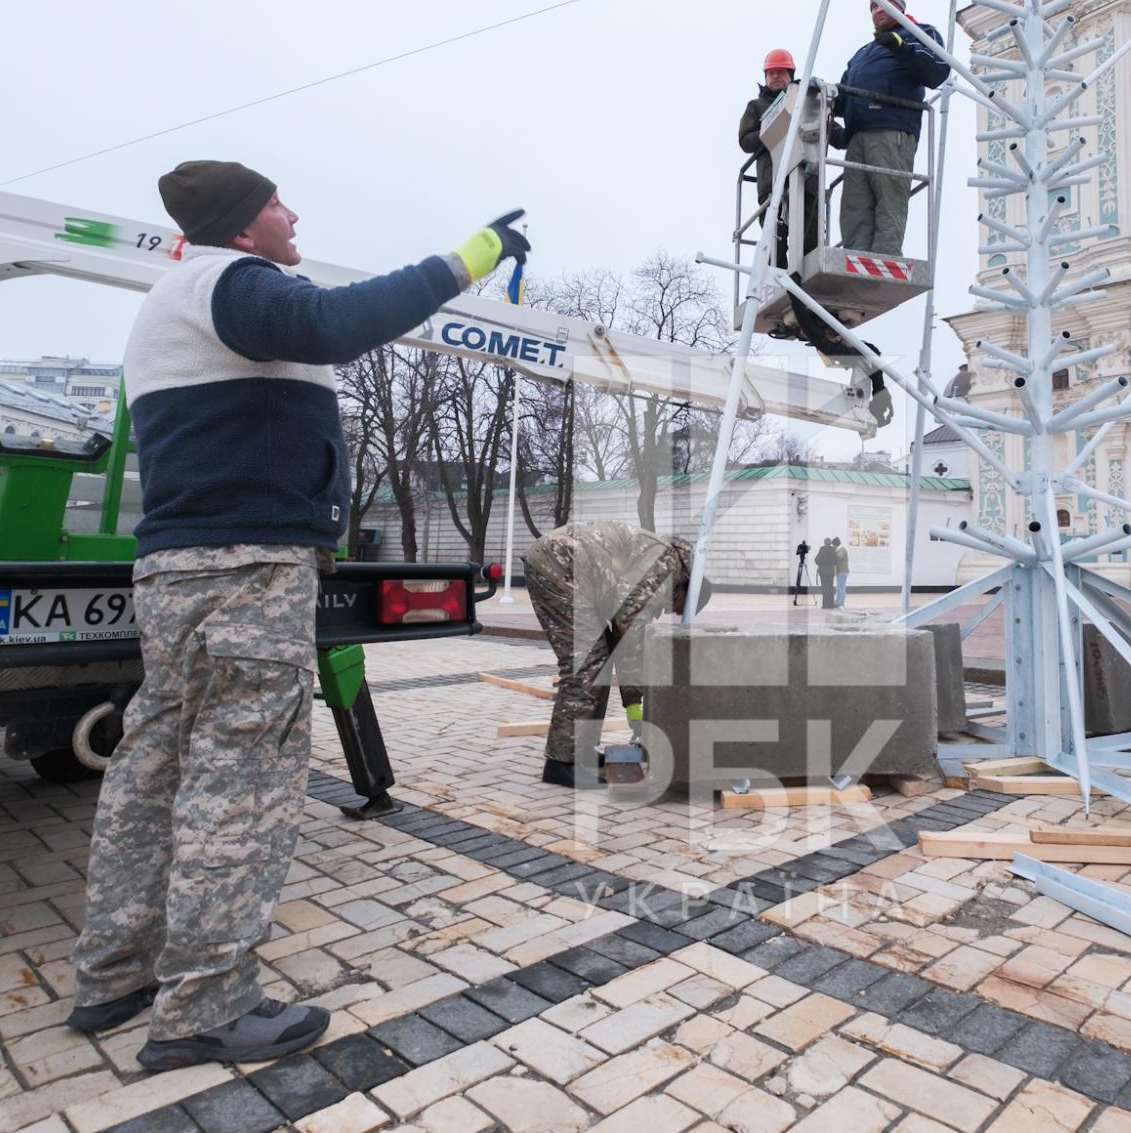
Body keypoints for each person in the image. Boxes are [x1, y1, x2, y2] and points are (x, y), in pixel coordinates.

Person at [67, 159, 529, 1071]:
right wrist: (469, 256)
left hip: (183, 567)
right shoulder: (237, 284)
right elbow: (335, 323)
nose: (293, 215)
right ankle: (203, 1005)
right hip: (246, 570)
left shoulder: (177, 298)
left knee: (155, 768)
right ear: (244, 228)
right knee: (238, 782)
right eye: (278, 205)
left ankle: (114, 974)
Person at [524, 522, 710, 786]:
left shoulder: (666, 560)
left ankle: (579, 751)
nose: (672, 613)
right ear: (685, 590)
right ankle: (560, 764)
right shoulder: (665, 566)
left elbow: (622, 623)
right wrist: (634, 705)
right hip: (561, 564)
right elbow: (629, 630)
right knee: (587, 663)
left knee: (598, 659)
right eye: (678, 609)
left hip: (569, 568)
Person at [837, 0, 947, 256]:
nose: (877, 10)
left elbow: (937, 71)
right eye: (873, 6)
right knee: (855, 204)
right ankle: (857, 260)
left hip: (891, 131)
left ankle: (885, 257)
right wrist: (815, 96)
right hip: (858, 136)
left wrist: (902, 46)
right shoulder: (862, 55)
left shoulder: (918, 33)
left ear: (899, 7)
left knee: (889, 198)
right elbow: (842, 97)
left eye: (883, 3)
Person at [815, 535, 840, 609]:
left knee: (825, 588)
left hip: (823, 572)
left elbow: (817, 560)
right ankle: (831, 605)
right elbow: (836, 560)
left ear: (824, 543)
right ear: (830, 543)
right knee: (830, 588)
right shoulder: (833, 549)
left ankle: (825, 605)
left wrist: (821, 563)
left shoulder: (822, 549)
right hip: (830, 571)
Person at [832, 538, 851, 608]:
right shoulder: (839, 549)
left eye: (833, 545)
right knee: (839, 588)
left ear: (835, 544)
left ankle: (841, 603)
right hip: (841, 571)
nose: (833, 547)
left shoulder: (841, 549)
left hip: (842, 571)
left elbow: (838, 557)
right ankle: (837, 602)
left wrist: (833, 553)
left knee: (841, 588)